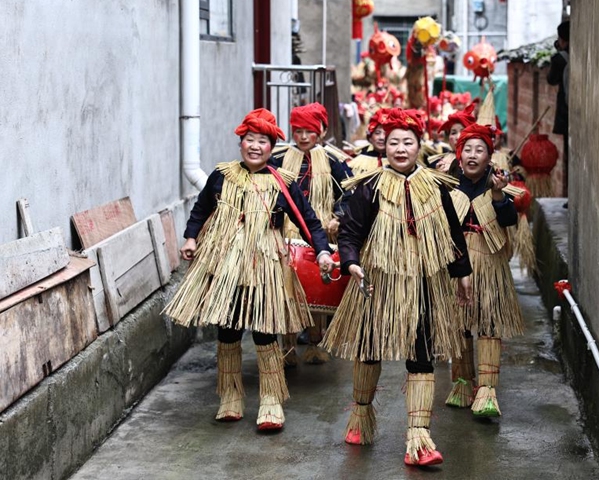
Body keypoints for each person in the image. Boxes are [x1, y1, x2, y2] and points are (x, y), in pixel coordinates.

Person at [164, 108, 335, 430]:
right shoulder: (222, 176)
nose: (255, 146)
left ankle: (271, 401)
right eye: (249, 140)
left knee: (264, 330)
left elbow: (308, 220)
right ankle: (230, 397)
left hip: (266, 264)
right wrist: (190, 238)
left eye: (262, 141)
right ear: (240, 143)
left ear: (272, 148)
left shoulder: (283, 183)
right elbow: (200, 211)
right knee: (227, 329)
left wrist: (323, 250)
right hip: (225, 262)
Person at [322, 108, 473, 467]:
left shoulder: (437, 186)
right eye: (393, 142)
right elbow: (350, 232)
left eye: (408, 142)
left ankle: (419, 437)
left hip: (424, 283)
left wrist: (462, 272)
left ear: (419, 145)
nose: (400, 148)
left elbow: (453, 234)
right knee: (370, 349)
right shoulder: (369, 187)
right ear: (384, 146)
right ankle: (360, 414)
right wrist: (352, 262)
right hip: (378, 283)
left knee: (421, 355)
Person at [443, 123, 525, 417]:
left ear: (489, 157)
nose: (473, 155)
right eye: (468, 149)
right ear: (459, 154)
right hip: (457, 259)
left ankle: (488, 390)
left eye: (480, 150)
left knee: (489, 322)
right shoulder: (449, 185)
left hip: (489, 262)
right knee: (460, 323)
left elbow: (509, 221)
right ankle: (463, 382)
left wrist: (500, 197)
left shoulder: (497, 184)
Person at [270, 102, 353, 366]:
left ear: (321, 131)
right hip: (287, 231)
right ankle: (287, 347)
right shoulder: (280, 158)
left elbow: (349, 193)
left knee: (319, 289)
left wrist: (336, 217)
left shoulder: (332, 160)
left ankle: (316, 343)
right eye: (298, 131)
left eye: (309, 131)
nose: (303, 137)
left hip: (319, 233)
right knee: (288, 291)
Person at [547, 20, 570, 203]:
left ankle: (571, 196)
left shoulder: (560, 59)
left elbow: (551, 80)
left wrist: (557, 53)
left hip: (566, 112)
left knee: (570, 156)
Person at [426, 102, 477, 171]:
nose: (458, 137)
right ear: (448, 138)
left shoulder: (481, 165)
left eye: (463, 132)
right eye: (453, 132)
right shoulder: (436, 163)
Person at [347, 108, 388, 176]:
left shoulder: (397, 160)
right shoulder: (360, 157)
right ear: (370, 137)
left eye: (386, 134)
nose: (381, 138)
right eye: (377, 133)